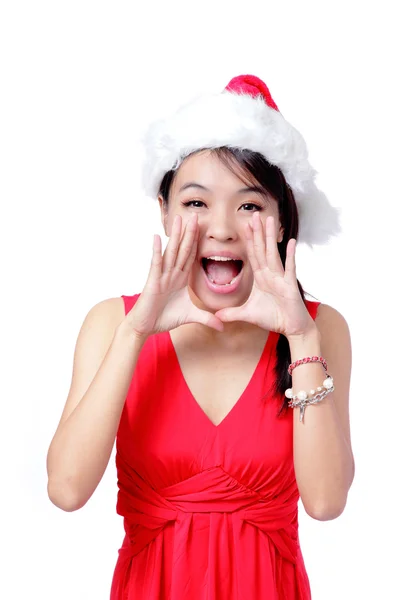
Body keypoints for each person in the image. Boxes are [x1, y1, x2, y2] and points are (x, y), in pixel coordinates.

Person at [46, 74, 355, 599]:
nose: (222, 228)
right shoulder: (111, 323)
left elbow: (325, 503)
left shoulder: (320, 327)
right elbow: (67, 490)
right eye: (195, 203)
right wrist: (136, 331)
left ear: (282, 223)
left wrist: (301, 337)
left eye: (250, 205)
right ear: (164, 212)